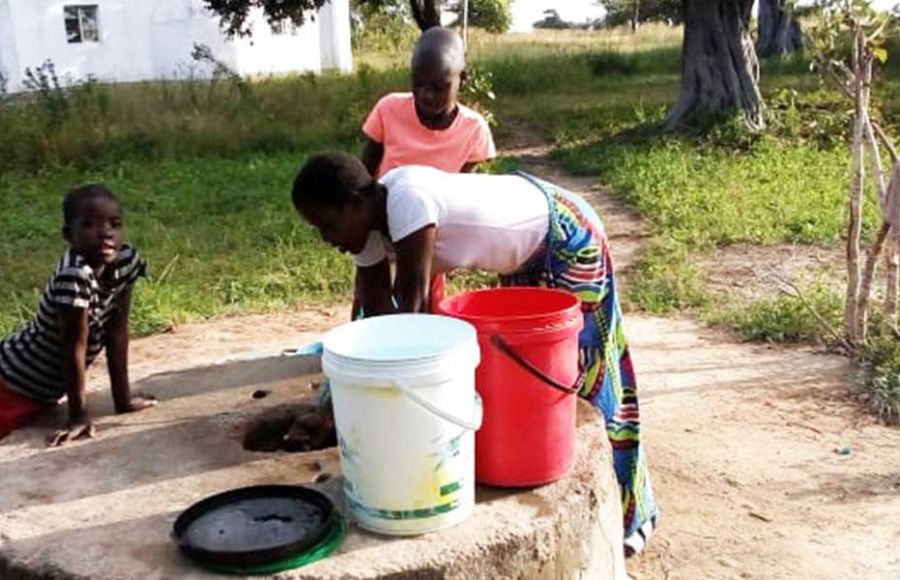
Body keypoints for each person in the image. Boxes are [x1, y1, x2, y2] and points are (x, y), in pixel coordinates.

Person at [291, 153, 660, 555]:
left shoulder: (407, 199)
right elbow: (375, 324)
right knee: (535, 380)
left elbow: (412, 318)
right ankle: (548, 467)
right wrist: (334, 404)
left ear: (355, 203)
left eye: (327, 225)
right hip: (525, 255)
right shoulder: (368, 229)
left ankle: (632, 514)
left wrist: (360, 413)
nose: (326, 239)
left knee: (590, 374)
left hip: (567, 234)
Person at [0, 185, 156, 446]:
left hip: (36, 392)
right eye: (89, 225)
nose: (105, 233)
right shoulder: (73, 275)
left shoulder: (126, 260)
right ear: (68, 235)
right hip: (11, 385)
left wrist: (123, 399)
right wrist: (78, 417)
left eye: (114, 224)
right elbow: (73, 346)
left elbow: (116, 332)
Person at [355, 26, 496, 315]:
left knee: (420, 303)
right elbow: (362, 176)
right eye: (418, 84)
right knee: (372, 301)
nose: (426, 95)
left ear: (463, 80)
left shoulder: (473, 129)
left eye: (438, 87)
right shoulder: (388, 109)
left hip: (428, 235)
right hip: (380, 229)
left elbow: (461, 190)